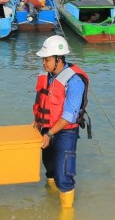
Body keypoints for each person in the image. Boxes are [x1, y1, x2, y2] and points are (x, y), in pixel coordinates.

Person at [32, 35, 88, 209]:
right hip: (46, 128)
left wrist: (49, 134)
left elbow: (69, 116)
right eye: (43, 59)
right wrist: (37, 122)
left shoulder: (74, 81)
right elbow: (40, 100)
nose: (44, 63)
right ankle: (51, 201)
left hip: (65, 132)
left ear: (59, 59)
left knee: (64, 175)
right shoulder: (45, 75)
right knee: (49, 169)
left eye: (47, 59)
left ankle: (66, 216)